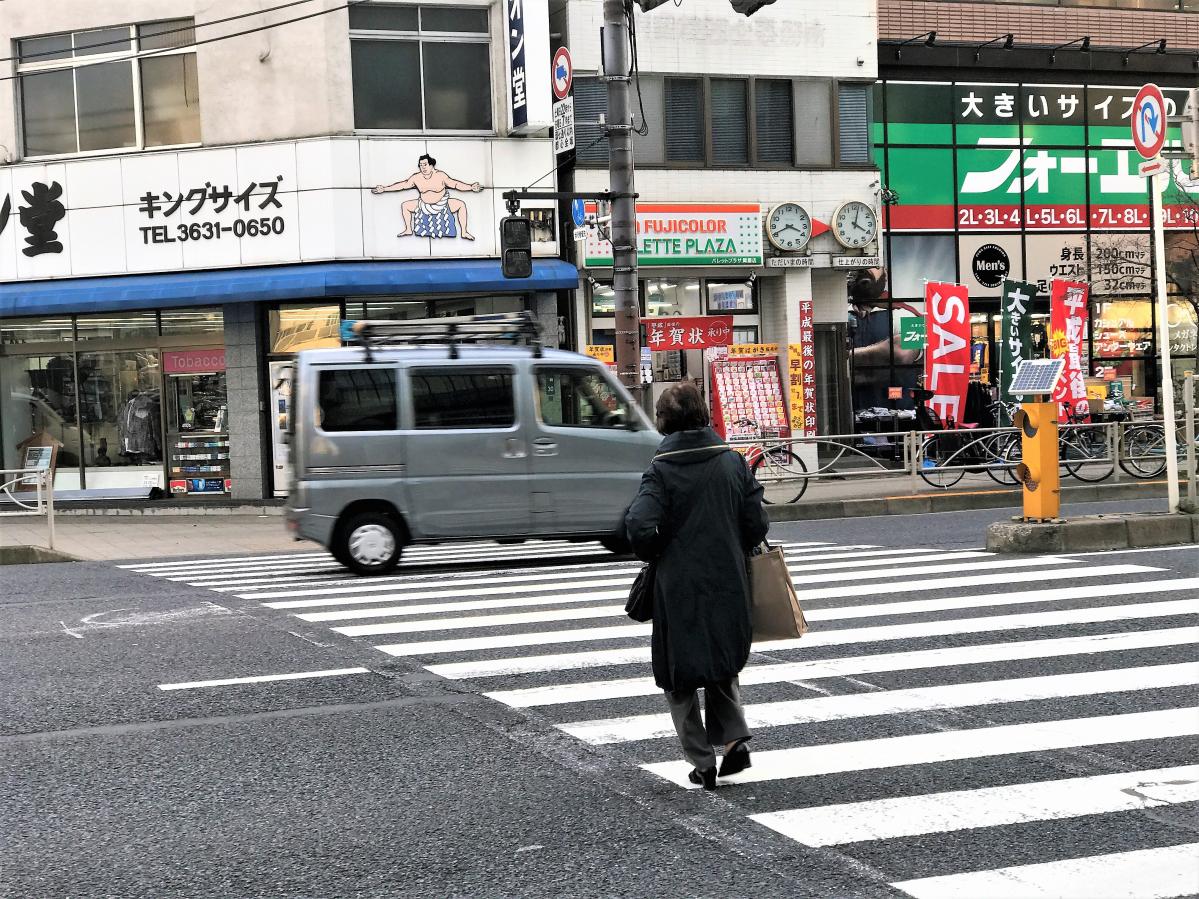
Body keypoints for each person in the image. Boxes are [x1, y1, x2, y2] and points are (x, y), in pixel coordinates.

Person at [624, 384, 770, 789]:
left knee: (680, 673)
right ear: (704, 416)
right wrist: (731, 545)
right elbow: (756, 523)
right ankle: (734, 738)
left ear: (665, 423)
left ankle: (702, 761)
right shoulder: (732, 462)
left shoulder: (662, 468)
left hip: (679, 583)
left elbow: (638, 524)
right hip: (728, 577)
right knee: (722, 659)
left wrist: (656, 550)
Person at [372, 154, 483, 240]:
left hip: (442, 204)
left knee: (461, 204)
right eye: (420, 165)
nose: (423, 167)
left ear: (431, 165)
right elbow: (403, 185)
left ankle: (464, 231)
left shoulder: (440, 175)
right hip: (423, 205)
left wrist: (470, 187)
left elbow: (455, 184)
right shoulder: (416, 177)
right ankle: (408, 229)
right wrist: (384, 188)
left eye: (425, 164)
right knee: (405, 205)